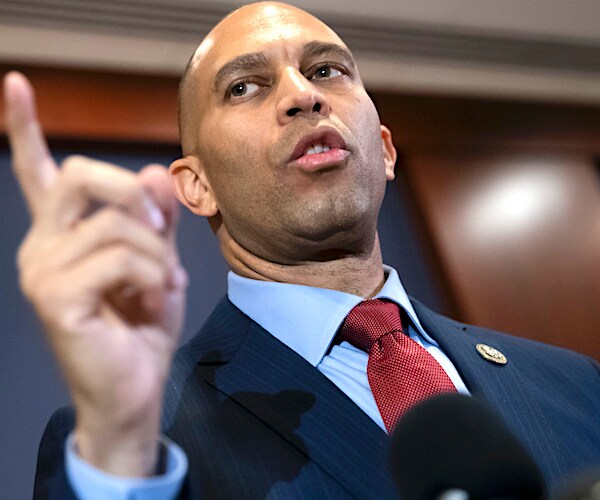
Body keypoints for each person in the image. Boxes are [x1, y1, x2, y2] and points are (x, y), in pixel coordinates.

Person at [4, 2, 599, 499]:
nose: (302, 96)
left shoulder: (575, 384)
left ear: (386, 151)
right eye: (245, 86)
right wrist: (122, 446)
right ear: (197, 185)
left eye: (326, 71)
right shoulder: (134, 442)